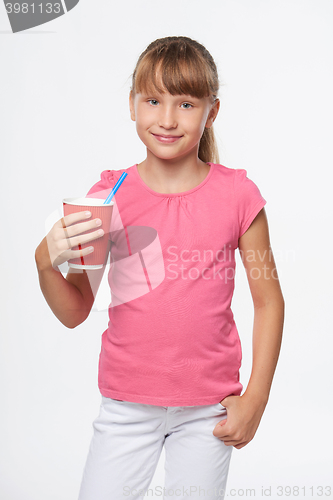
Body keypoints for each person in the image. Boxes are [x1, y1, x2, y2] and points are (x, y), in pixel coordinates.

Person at [35, 36, 284, 500]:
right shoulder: (107, 196)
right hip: (126, 406)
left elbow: (269, 301)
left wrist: (256, 399)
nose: (167, 119)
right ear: (132, 105)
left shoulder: (239, 196)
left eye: (186, 103)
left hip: (208, 410)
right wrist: (44, 263)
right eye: (153, 100)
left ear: (212, 111)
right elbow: (75, 311)